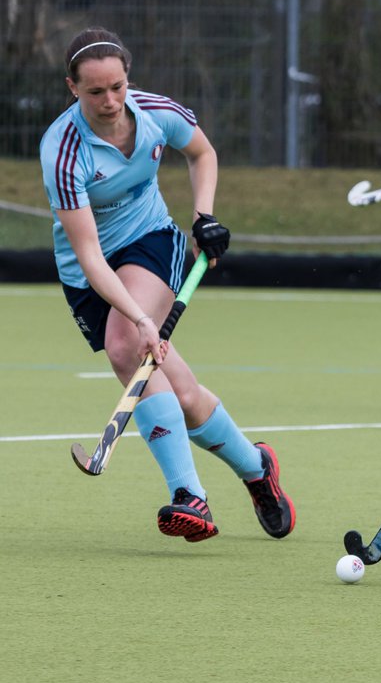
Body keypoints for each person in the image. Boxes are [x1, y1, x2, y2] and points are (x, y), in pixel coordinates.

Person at [40, 27, 295, 543]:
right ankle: (255, 466)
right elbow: (89, 254)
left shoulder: (157, 112)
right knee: (179, 392)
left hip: (152, 240)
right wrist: (140, 317)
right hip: (89, 271)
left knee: (125, 348)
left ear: (128, 78)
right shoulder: (63, 152)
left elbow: (203, 154)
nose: (111, 101)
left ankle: (189, 496)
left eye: (118, 86)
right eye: (95, 92)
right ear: (72, 88)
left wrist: (204, 217)